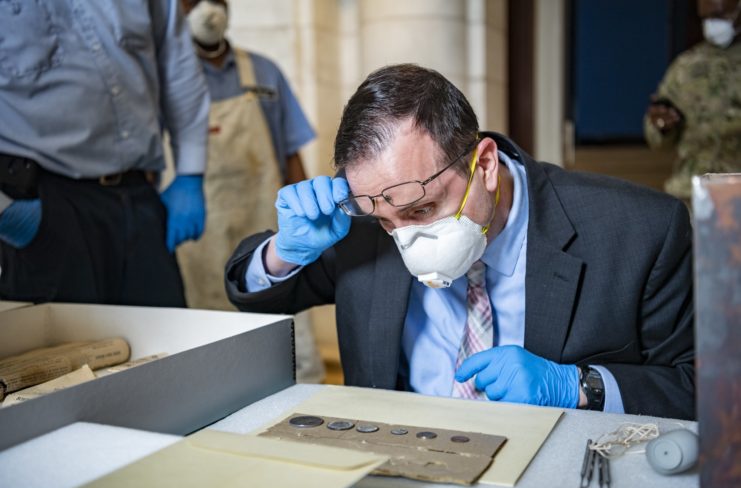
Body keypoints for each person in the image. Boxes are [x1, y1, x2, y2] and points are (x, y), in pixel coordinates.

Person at [226, 64, 695, 420]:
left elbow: (701, 387)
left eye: (422, 210)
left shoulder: (640, 231)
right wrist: (286, 251)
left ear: (485, 166)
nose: (406, 239)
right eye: (387, 221)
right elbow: (256, 297)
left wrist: (578, 386)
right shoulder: (364, 223)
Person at [0, 0, 209, 306]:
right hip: (41, 203)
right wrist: (5, 210)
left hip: (139, 199)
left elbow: (177, 63)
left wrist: (190, 172)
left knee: (169, 345)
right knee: (58, 350)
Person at [177, 0, 323, 383]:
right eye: (192, 1)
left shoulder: (264, 72)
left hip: (268, 229)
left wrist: (307, 217)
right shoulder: (168, 79)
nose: (207, 9)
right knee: (211, 352)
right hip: (197, 237)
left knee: (291, 344)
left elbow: (292, 156)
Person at [644, 0, 741, 200]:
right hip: (691, 194)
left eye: (720, 16)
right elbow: (656, 137)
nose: (713, 24)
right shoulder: (685, 68)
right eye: (706, 18)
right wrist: (662, 126)